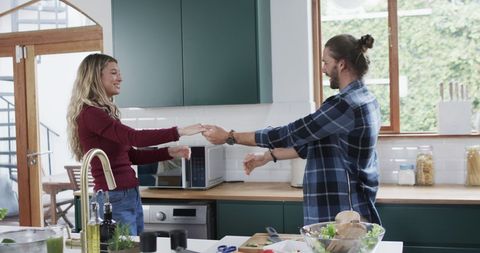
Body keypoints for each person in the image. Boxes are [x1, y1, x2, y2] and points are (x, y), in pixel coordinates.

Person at [202, 34, 381, 225]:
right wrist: (267, 157)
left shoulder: (345, 105)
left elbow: (289, 134)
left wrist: (230, 136)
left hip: (343, 214)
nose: (323, 69)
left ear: (342, 64)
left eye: (325, 62)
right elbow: (316, 143)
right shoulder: (366, 99)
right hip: (347, 208)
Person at [66, 53, 205, 235]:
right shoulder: (91, 114)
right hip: (113, 197)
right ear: (95, 77)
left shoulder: (103, 113)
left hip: (128, 194)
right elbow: (135, 138)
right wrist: (179, 131)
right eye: (114, 73)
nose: (120, 78)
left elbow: (131, 155)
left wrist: (169, 152)